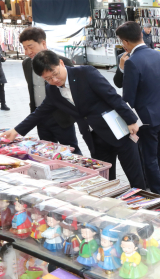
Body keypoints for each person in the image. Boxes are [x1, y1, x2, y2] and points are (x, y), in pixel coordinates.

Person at [0, 50, 145, 190]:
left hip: (117, 130)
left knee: (134, 175)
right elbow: (40, 113)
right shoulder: (53, 91)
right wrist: (16, 131)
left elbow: (111, 96)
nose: (54, 80)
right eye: (48, 79)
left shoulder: (85, 73)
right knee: (105, 179)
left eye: (55, 74)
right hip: (94, 137)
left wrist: (131, 120)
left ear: (61, 63)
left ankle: (144, 206)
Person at [116, 21, 160, 198]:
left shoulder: (132, 62)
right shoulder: (159, 55)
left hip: (147, 118)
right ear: (141, 35)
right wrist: (159, 97)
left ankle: (159, 195)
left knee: (150, 158)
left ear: (125, 42)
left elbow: (128, 98)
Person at [19, 27, 81, 155]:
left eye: (30, 46)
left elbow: (73, 91)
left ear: (43, 43)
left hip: (61, 117)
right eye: (25, 48)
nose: (27, 52)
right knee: (46, 152)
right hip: (40, 117)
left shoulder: (61, 62)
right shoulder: (26, 64)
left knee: (71, 152)